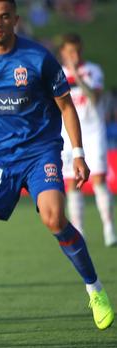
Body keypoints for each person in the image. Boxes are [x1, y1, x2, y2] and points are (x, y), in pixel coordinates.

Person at [0, 0, 114, 330]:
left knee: (55, 218)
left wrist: (79, 153)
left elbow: (67, 107)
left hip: (40, 152)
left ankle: (95, 289)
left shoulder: (38, 58)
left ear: (15, 20)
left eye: (4, 17)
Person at [58, 33, 116, 248]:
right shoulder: (58, 74)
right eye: (69, 51)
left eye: (77, 51)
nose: (74, 55)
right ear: (63, 52)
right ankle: (79, 232)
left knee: (99, 180)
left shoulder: (93, 71)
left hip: (92, 133)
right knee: (72, 183)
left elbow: (94, 97)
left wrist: (76, 75)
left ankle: (109, 227)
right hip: (69, 136)